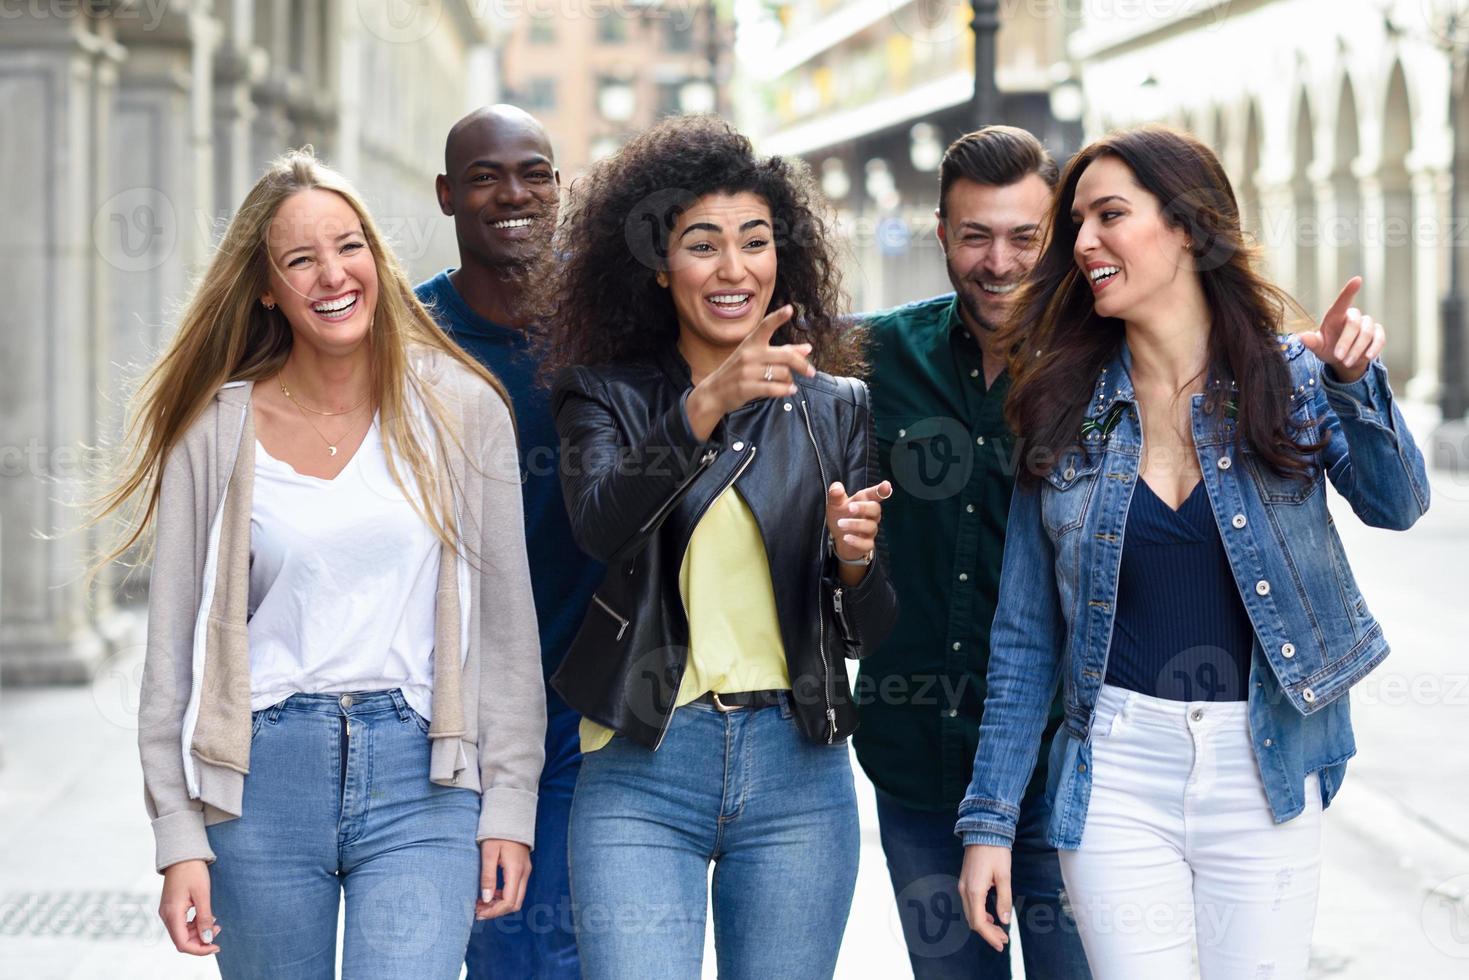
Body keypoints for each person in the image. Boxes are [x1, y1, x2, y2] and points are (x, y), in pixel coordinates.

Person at [956, 125, 1430, 978]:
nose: (1082, 242)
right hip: (1117, 770)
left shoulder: (1288, 379)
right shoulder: (1061, 409)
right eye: (1076, 224)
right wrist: (989, 821)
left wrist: (1355, 388)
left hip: (1262, 764)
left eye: (1108, 215)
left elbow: (1396, 504)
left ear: (1185, 227)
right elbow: (1025, 636)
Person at [99, 148, 547, 978]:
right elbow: (169, 653)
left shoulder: (462, 408)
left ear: (376, 257)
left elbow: (508, 630)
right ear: (268, 286)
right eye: (300, 259)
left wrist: (509, 805)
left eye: (349, 247)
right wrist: (176, 835)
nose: (331, 275)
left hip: (424, 779)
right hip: (262, 782)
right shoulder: (215, 429)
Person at [536, 115, 898, 979]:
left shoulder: (835, 404)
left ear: (783, 256)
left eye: (755, 242)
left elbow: (868, 629)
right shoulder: (602, 396)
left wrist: (855, 562)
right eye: (703, 245)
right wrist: (706, 403)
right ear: (660, 265)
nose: (734, 269)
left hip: (797, 770)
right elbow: (601, 522)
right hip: (642, 767)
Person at [857, 126, 1090, 978]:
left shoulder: (1101, 369)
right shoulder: (879, 355)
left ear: (1055, 236)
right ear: (940, 232)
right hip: (915, 766)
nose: (998, 262)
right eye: (974, 236)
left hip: (1062, 775)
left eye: (1024, 237)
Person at [417, 104, 600, 980]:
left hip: (595, 690)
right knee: (496, 933)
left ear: (560, 188)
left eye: (533, 172)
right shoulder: (408, 339)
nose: (513, 193)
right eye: (485, 176)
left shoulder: (610, 325)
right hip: (465, 699)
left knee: (558, 942)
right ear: (449, 194)